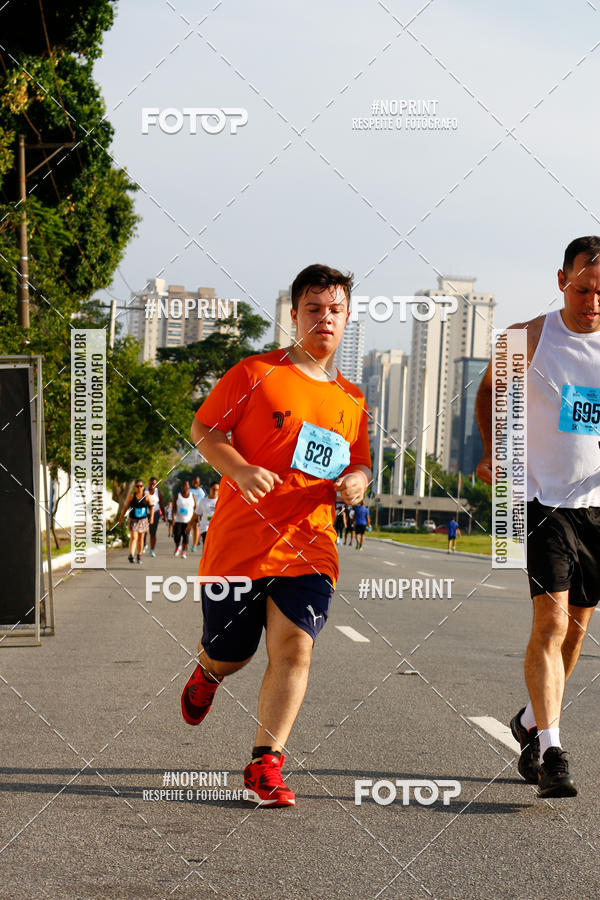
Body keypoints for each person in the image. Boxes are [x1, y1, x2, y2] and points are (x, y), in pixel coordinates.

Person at [182, 263, 371, 807]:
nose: (325, 319)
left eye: (335, 310)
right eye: (313, 309)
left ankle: (266, 762)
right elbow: (205, 429)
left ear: (347, 317)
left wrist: (357, 481)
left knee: (296, 649)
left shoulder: (351, 398)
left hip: (310, 545)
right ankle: (207, 672)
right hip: (240, 545)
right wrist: (238, 470)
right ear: (294, 315)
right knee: (232, 653)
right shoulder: (253, 373)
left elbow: (357, 463)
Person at [476, 235, 600, 799]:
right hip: (545, 500)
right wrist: (489, 448)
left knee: (576, 632)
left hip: (598, 509)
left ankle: (528, 720)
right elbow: (486, 389)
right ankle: (551, 750)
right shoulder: (530, 337)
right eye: (583, 288)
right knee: (549, 626)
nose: (592, 301)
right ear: (561, 281)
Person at [118, 479, 154, 564]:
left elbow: (151, 507)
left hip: (143, 520)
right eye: (137, 486)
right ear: (135, 487)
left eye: (141, 486)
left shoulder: (147, 496)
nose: (139, 488)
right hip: (133, 519)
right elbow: (125, 507)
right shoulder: (131, 496)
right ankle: (131, 554)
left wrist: (151, 517)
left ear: (143, 487)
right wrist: (120, 518)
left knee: (141, 538)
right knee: (134, 537)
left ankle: (139, 555)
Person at [172, 480, 196, 558]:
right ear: (182, 487)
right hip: (178, 520)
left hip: (188, 521)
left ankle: (183, 552)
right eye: (184, 485)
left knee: (186, 538)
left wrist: (195, 518)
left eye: (187, 485)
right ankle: (177, 547)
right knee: (177, 537)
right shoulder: (177, 496)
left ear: (189, 487)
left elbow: (195, 508)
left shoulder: (192, 496)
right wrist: (173, 518)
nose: (185, 487)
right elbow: (174, 508)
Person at [144, 476, 164, 557]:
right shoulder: (144, 490)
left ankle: (152, 550)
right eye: (151, 483)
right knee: (143, 532)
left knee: (153, 532)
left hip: (155, 513)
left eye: (154, 484)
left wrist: (164, 515)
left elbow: (161, 504)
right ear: (149, 483)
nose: (152, 485)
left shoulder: (158, 492)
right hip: (144, 513)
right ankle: (144, 545)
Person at [196, 481, 220, 550]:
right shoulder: (203, 501)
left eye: (217, 490)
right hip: (205, 527)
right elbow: (197, 513)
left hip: (217, 528)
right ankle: (206, 558)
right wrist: (189, 525)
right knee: (206, 544)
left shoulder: (220, 501)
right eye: (214, 489)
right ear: (210, 489)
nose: (215, 491)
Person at [189, 475, 207, 552]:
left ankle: (194, 545)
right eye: (194, 481)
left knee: (196, 528)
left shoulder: (202, 492)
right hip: (189, 513)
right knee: (191, 528)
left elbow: (204, 502)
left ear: (199, 482)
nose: (195, 483)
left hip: (198, 512)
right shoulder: (189, 490)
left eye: (197, 481)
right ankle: (187, 543)